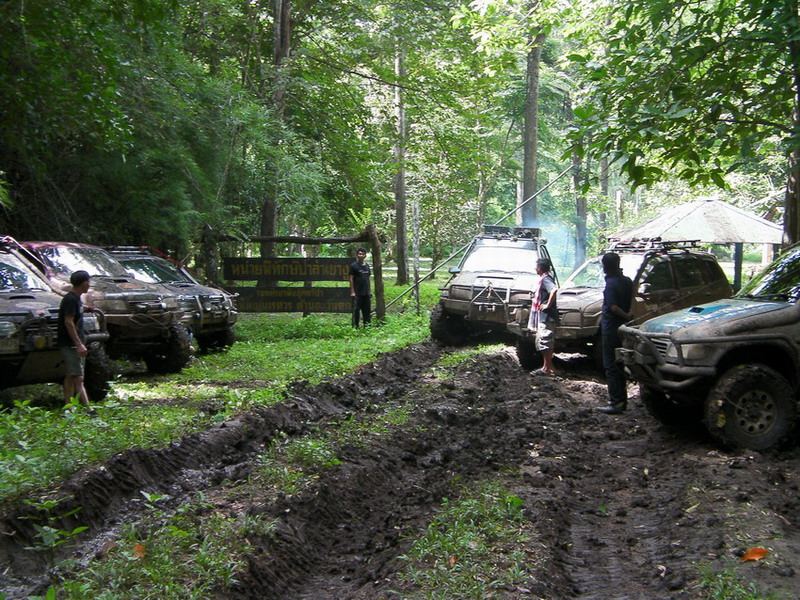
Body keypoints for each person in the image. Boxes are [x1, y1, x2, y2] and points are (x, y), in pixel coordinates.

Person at [597, 252, 633, 414]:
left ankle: (616, 402)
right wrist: (629, 317)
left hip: (611, 329)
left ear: (605, 266)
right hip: (624, 329)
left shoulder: (611, 284)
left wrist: (625, 316)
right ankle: (621, 400)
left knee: (611, 365)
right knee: (620, 364)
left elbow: (613, 307)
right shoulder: (627, 281)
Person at [57, 270, 93, 410]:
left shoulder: (76, 299)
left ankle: (69, 407)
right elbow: (68, 322)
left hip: (73, 343)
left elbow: (75, 311)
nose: (89, 285)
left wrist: (86, 308)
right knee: (78, 377)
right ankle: (89, 409)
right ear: (84, 283)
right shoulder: (71, 299)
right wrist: (78, 344)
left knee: (71, 375)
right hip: (70, 343)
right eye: (88, 282)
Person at [528, 257, 558, 376]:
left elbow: (554, 290)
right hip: (544, 315)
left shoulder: (546, 279)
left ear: (540, 268)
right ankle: (548, 367)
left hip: (546, 316)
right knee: (543, 341)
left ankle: (547, 368)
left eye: (536, 266)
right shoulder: (544, 279)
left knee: (546, 341)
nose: (535, 268)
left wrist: (547, 305)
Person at [349, 247, 371, 327]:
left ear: (365, 255)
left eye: (362, 254)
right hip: (357, 293)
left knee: (367, 311)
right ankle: (356, 326)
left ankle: (367, 326)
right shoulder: (353, 266)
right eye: (359, 254)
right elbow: (351, 279)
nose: (361, 255)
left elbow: (368, 278)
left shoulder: (367, 266)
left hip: (366, 293)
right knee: (356, 311)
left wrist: (369, 291)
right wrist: (352, 291)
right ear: (357, 255)